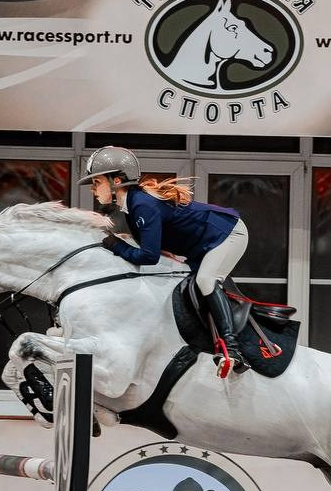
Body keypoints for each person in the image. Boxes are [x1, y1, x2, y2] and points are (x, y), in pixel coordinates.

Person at [79, 145, 250, 376]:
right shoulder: (131, 206)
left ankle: (232, 349)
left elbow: (148, 257)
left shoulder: (142, 205)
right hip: (202, 244)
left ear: (117, 180)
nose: (93, 190)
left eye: (97, 182)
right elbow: (156, 251)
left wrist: (115, 245)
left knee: (206, 280)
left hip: (227, 233)